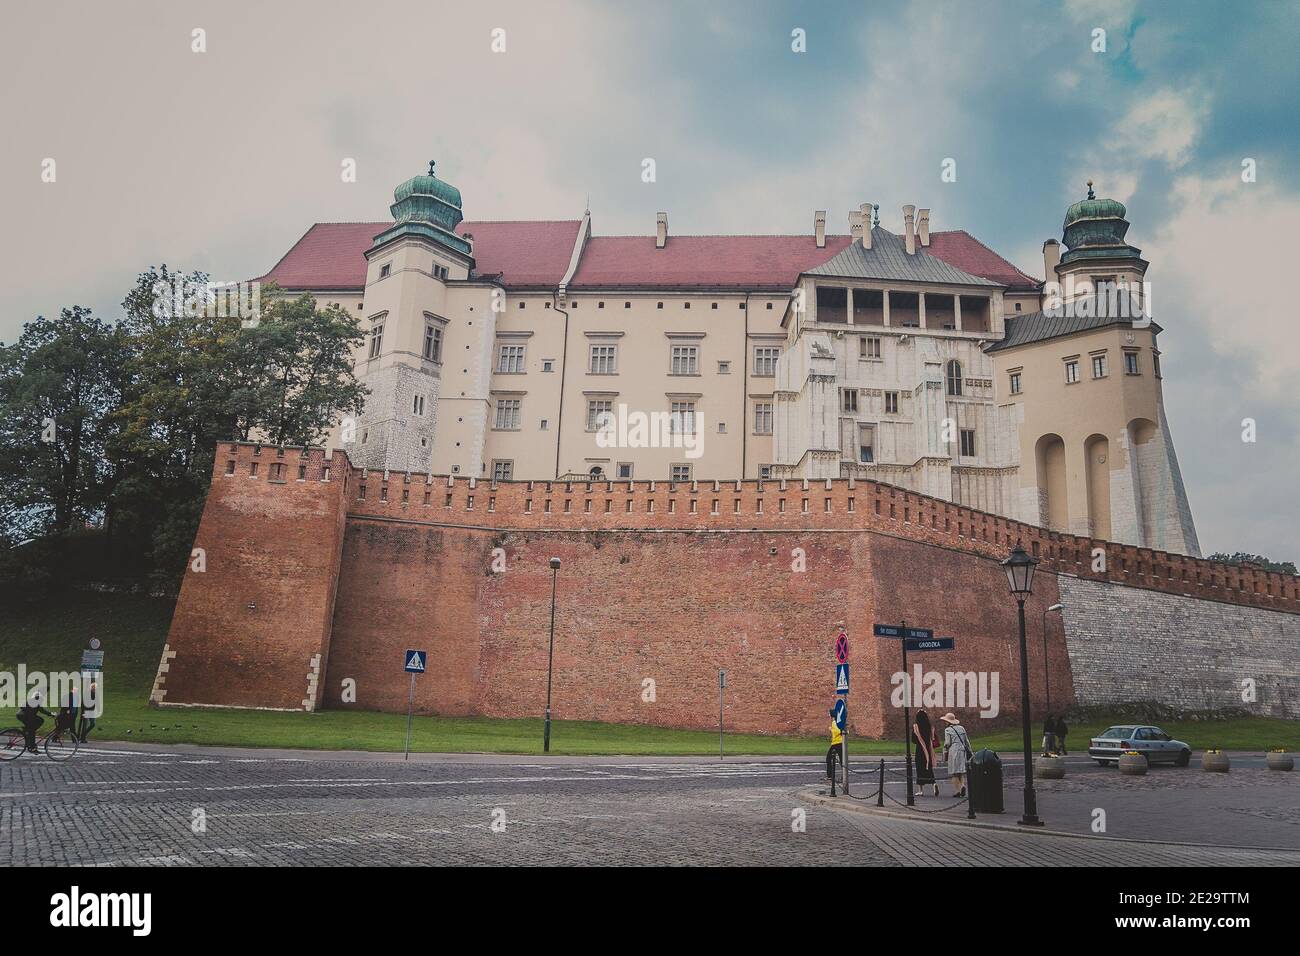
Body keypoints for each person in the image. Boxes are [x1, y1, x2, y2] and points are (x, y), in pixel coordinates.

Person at [941, 712, 971, 798]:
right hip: (962, 750)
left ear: (948, 721)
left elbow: (947, 743)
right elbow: (967, 741)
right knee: (960, 772)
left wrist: (944, 750)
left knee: (954, 772)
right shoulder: (962, 728)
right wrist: (970, 752)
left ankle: (958, 791)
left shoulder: (948, 730)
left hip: (953, 751)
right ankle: (962, 786)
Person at [912, 708, 939, 797]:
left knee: (920, 769)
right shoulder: (929, 726)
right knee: (929, 768)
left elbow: (914, 740)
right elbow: (932, 738)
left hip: (920, 750)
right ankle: (934, 784)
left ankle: (920, 790)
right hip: (928, 749)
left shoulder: (916, 726)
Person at [826, 707, 844, 781]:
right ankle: (843, 777)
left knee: (828, 759)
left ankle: (830, 776)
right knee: (842, 760)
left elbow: (837, 731)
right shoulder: (839, 721)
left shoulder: (834, 722)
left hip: (836, 743)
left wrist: (831, 730)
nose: (828, 714)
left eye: (829, 713)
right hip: (840, 742)